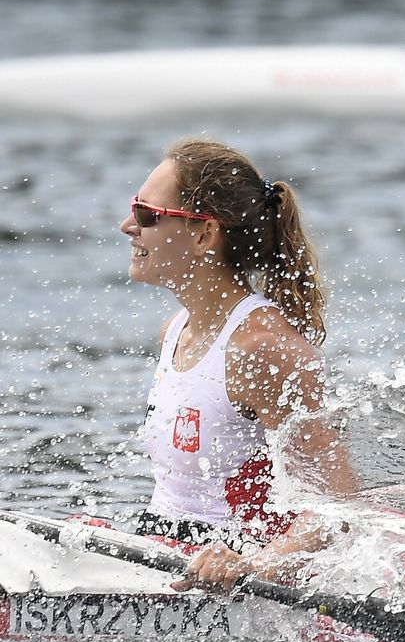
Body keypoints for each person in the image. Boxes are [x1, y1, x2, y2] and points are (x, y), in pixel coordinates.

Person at [121, 138, 358, 590]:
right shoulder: (175, 329)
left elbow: (338, 510)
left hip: (231, 572)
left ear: (204, 234)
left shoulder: (264, 351)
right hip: (164, 550)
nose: (127, 225)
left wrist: (253, 567)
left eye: (147, 214)